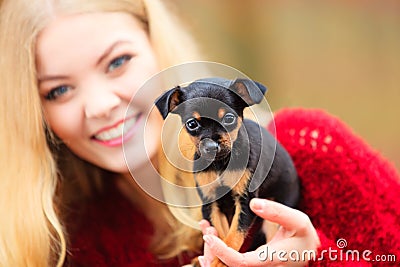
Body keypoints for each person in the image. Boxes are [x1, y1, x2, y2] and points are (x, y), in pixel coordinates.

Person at [0, 1, 399, 267]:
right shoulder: (65, 240)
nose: (99, 105)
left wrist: (316, 258)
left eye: (118, 62)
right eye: (58, 90)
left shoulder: (311, 150)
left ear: (160, 48)